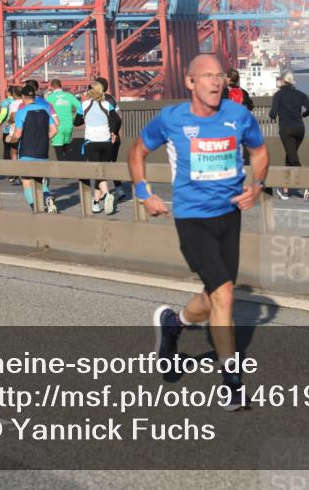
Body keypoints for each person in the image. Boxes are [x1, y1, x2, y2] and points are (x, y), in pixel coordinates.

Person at [129, 54, 268, 411]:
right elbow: (137, 151)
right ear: (190, 82)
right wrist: (144, 193)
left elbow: (259, 150)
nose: (215, 81)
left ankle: (174, 324)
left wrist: (258, 184)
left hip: (230, 215)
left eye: (219, 75)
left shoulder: (238, 115)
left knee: (216, 294)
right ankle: (232, 384)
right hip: (192, 218)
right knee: (224, 296)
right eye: (206, 76)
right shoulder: (172, 119)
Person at [7, 84, 58, 213]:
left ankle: (34, 207)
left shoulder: (21, 112)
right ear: (34, 96)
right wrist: (45, 139)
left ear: (23, 97)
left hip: (26, 150)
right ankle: (47, 197)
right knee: (41, 179)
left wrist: (10, 139)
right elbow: (54, 130)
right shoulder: (45, 110)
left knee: (26, 181)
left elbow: (18, 134)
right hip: (43, 149)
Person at [269, 70, 309, 200]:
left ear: (283, 81)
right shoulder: (300, 94)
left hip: (286, 130)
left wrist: (273, 114)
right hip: (300, 129)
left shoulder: (278, 95)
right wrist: (303, 115)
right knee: (290, 155)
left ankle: (308, 184)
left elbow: (272, 114)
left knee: (293, 159)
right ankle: (285, 190)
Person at [81, 82, 120, 214]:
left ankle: (107, 194)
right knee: (101, 171)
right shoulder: (107, 105)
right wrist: (113, 132)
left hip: (91, 141)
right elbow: (116, 120)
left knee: (96, 172)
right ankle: (96, 203)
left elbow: (76, 121)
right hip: (106, 141)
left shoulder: (84, 105)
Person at [95, 76, 126, 201]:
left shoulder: (96, 100)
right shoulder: (112, 99)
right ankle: (119, 190)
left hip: (102, 136)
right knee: (112, 163)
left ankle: (104, 192)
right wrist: (117, 133)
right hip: (115, 136)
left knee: (101, 165)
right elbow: (119, 116)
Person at [223, 68, 255, 166]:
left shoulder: (224, 91)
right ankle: (244, 167)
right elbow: (250, 106)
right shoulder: (243, 92)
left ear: (228, 78)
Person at [46, 79, 83, 162]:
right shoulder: (69, 96)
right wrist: (75, 117)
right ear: (60, 86)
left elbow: (45, 111)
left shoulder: (50, 98)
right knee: (66, 151)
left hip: (57, 127)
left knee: (59, 154)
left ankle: (63, 173)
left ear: (52, 87)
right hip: (69, 126)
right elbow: (81, 107)